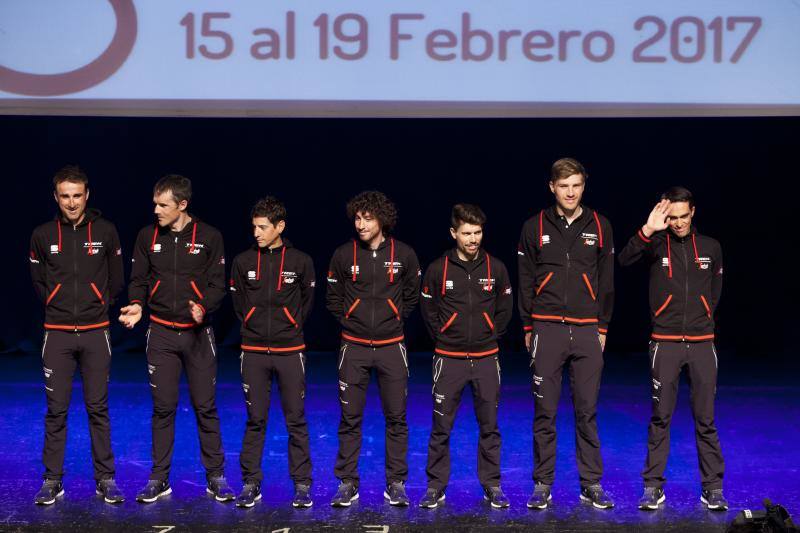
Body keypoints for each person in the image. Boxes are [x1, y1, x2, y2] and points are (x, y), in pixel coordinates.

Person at [119, 175, 233, 503]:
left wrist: (204, 308)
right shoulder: (146, 236)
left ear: (182, 205)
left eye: (162, 205)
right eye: (154, 203)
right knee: (163, 408)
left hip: (198, 337)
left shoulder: (210, 236)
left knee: (205, 407)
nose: (155, 210)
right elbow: (139, 279)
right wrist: (138, 304)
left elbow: (216, 286)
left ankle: (216, 477)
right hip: (160, 335)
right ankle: (159, 478)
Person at [618, 187, 728, 511]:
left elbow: (716, 291)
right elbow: (623, 260)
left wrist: (703, 316)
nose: (678, 223)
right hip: (664, 344)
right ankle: (653, 487)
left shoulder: (711, 247)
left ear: (693, 212)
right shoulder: (655, 244)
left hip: (701, 344)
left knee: (705, 419)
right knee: (660, 417)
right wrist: (649, 229)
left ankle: (713, 488)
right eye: (673, 217)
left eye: (683, 216)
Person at [517, 158, 615, 509]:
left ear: (583, 186)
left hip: (588, 330)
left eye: (576, 185)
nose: (570, 192)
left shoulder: (600, 225)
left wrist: (602, 326)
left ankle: (591, 483)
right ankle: (543, 483)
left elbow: (606, 282)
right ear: (552, 188)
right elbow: (525, 278)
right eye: (564, 185)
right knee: (545, 412)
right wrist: (529, 326)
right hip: (546, 328)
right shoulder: (534, 226)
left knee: (586, 411)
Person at [29, 165, 125, 505]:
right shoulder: (42, 235)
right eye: (65, 196)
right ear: (56, 197)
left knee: (97, 408)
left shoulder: (106, 231)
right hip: (56, 335)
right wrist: (58, 304)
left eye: (77, 195)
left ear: (88, 195)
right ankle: (52, 480)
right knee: (56, 410)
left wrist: (96, 305)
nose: (72, 203)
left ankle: (106, 479)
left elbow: (116, 281)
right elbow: (39, 284)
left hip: (96, 332)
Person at [325, 191, 420, 507]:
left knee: (397, 418)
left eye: (368, 218)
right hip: (353, 349)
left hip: (392, 348)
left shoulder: (404, 254)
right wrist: (354, 322)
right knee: (350, 419)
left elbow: (411, 297)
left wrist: (391, 319)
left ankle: (396, 483)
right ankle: (347, 482)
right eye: (357, 218)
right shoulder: (343, 254)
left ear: (383, 220)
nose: (361, 224)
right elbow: (333, 299)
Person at [418, 204, 513, 509]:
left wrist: (488, 335)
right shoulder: (438, 268)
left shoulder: (495, 268)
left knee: (490, 426)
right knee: (441, 426)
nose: (473, 239)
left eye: (478, 233)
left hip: (486, 359)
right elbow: (428, 310)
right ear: (453, 233)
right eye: (467, 233)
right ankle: (435, 486)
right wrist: (446, 337)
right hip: (449, 359)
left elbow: (504, 309)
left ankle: (492, 485)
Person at [229, 197, 315, 508]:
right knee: (255, 419)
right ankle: (251, 483)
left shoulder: (301, 261)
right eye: (254, 227)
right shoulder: (242, 261)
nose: (257, 233)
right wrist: (253, 324)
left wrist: (289, 325)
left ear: (280, 227)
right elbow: (239, 305)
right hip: (253, 351)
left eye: (263, 227)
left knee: (296, 419)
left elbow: (307, 302)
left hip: (290, 351)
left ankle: (302, 485)